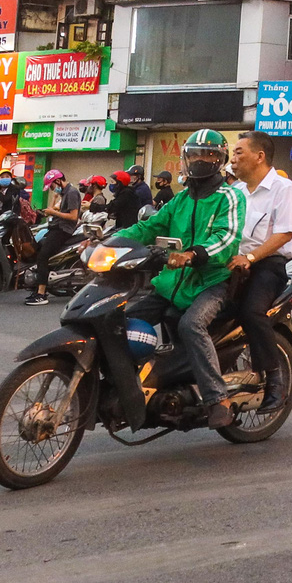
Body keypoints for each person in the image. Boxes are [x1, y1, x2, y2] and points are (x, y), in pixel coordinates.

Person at [108, 130, 245, 427]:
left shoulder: (230, 197)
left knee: (191, 324)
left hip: (212, 282)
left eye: (208, 154)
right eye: (195, 154)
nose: (201, 160)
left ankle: (217, 398)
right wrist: (109, 242)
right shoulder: (180, 199)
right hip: (171, 284)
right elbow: (148, 227)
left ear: (220, 159)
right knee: (118, 319)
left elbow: (227, 238)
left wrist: (193, 255)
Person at [213, 132, 292, 410]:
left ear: (259, 156)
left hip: (267, 264)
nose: (234, 159)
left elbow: (285, 233)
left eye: (239, 152)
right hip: (232, 262)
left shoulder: (283, 188)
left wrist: (251, 257)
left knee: (251, 311)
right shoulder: (235, 192)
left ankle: (275, 380)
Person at [26, 169, 83, 306]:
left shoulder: (72, 193)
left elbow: (73, 216)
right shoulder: (64, 193)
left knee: (43, 256)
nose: (52, 189)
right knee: (37, 250)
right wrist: (54, 199)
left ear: (57, 181)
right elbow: (52, 211)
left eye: (52, 186)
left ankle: (41, 294)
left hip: (64, 230)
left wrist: (54, 213)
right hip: (55, 227)